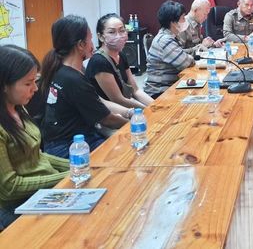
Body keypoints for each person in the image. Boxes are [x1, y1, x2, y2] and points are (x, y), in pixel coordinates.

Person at [0, 45, 69, 229]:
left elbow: (35, 155)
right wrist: (67, 175)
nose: (35, 88)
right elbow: (9, 187)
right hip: (16, 206)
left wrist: (74, 166)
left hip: (40, 192)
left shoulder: (18, 108)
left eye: (35, 81)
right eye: (28, 83)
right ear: (4, 85)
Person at [39, 15, 128, 158]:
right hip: (69, 145)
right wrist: (133, 122)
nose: (93, 44)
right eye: (90, 39)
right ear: (81, 45)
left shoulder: (63, 69)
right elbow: (107, 119)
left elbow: (97, 100)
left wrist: (130, 113)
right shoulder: (73, 79)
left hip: (67, 139)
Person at [86, 14, 154, 111]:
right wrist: (148, 110)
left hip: (124, 108)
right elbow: (118, 99)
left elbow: (136, 90)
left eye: (122, 31)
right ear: (101, 37)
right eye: (112, 32)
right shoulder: (99, 61)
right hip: (108, 113)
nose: (118, 36)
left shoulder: (121, 55)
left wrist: (155, 105)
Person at [144, 0, 195, 98]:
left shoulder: (169, 36)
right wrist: (190, 57)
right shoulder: (164, 40)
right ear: (173, 22)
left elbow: (182, 55)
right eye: (183, 18)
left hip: (169, 87)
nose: (185, 21)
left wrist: (186, 55)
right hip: (159, 92)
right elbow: (186, 63)